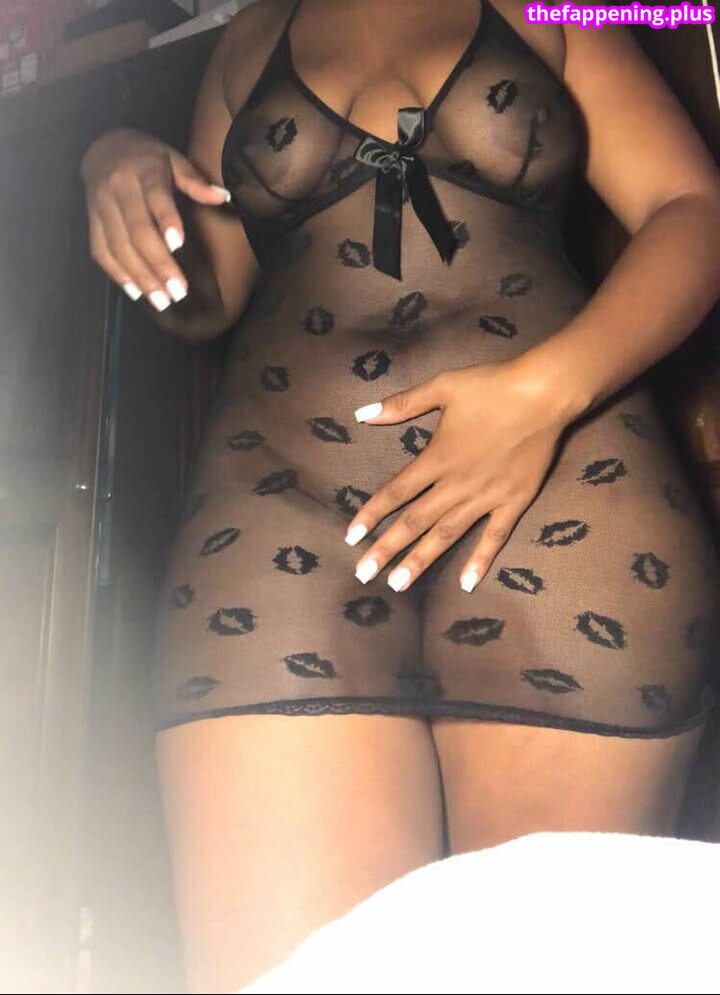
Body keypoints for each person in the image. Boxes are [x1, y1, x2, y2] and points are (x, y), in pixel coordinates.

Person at [79, 1, 720, 991]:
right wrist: (118, 172)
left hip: (563, 491)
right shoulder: (249, 37)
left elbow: (693, 206)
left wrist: (541, 396)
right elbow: (205, 297)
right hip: (285, 505)